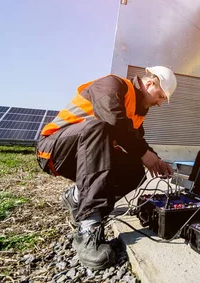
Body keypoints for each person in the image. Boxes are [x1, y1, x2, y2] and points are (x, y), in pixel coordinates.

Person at [35, 66, 175, 270]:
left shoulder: (136, 112)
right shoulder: (112, 85)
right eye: (161, 95)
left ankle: (77, 196)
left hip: (85, 152)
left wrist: (156, 160)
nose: (160, 103)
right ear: (149, 83)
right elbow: (111, 117)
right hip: (53, 150)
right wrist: (143, 153)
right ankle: (87, 229)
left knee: (135, 170)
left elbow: (136, 141)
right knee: (98, 127)